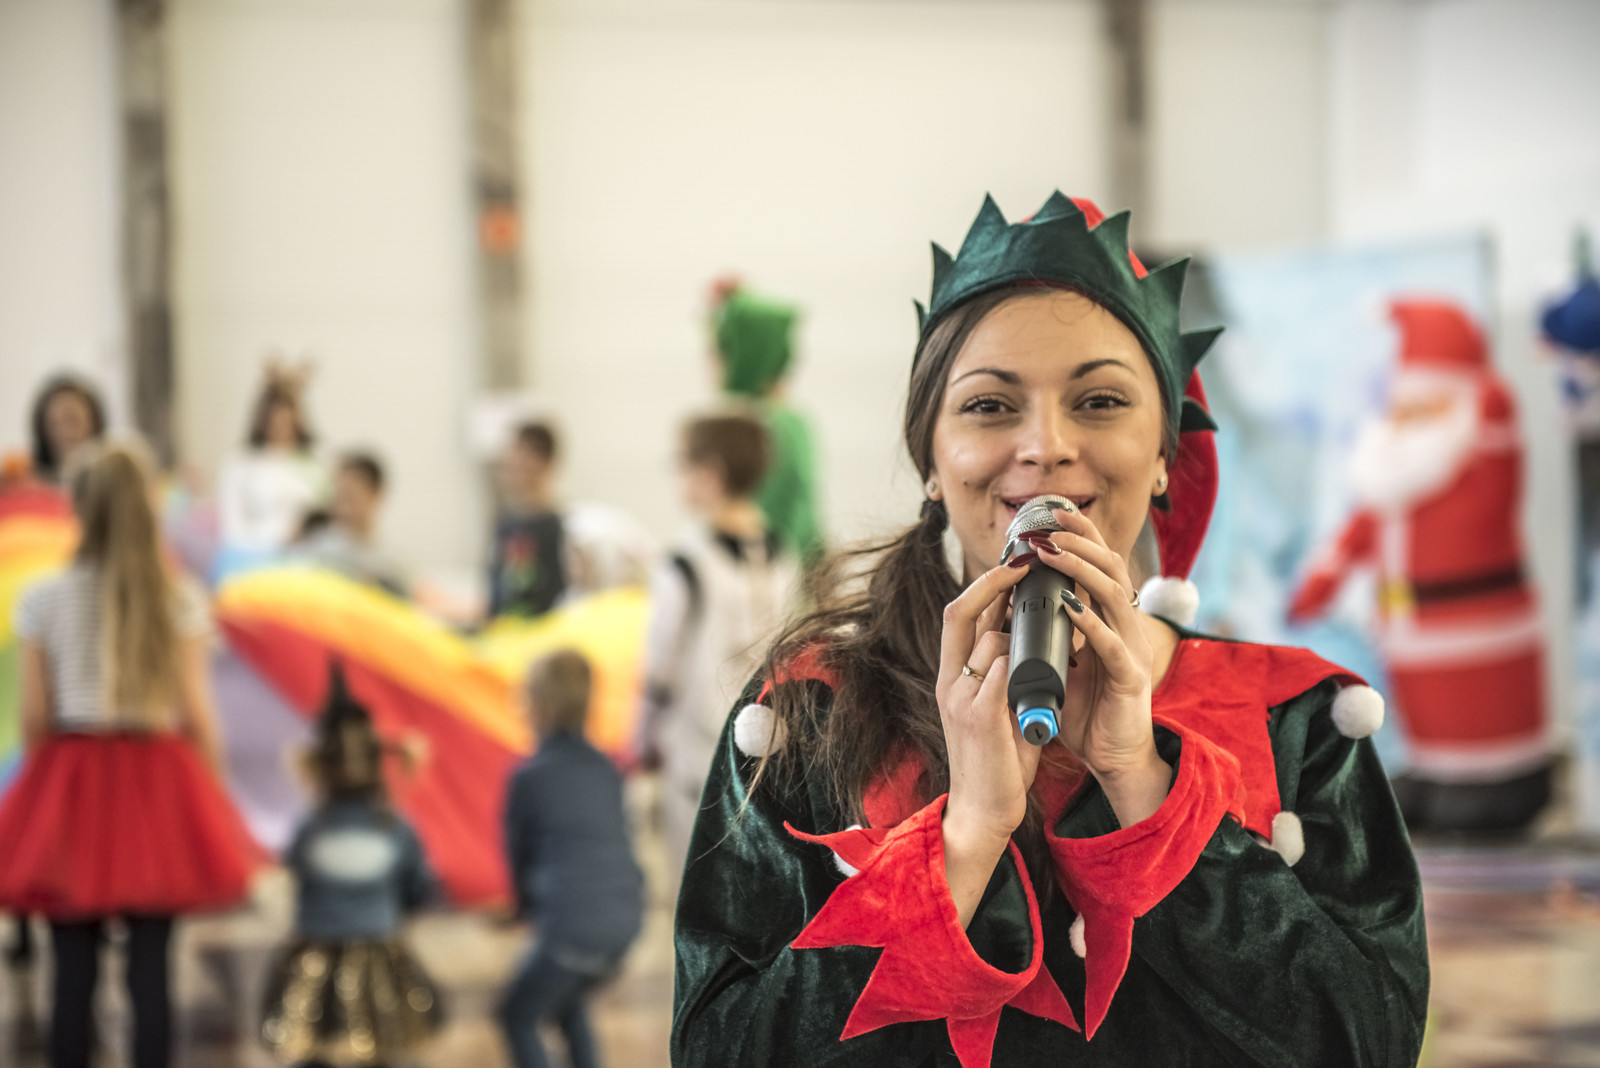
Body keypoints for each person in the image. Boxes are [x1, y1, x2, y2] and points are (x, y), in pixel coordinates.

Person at [671, 193, 1429, 1066]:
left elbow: (1369, 1043)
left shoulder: (1290, 719)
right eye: (990, 406)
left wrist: (1143, 782)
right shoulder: (811, 709)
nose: (1045, 445)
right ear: (931, 461)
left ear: (1163, 457)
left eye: (1100, 400)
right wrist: (965, 842)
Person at [0, 440, 256, 1068]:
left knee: (71, 972)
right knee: (151, 972)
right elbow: (198, 715)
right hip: (158, 782)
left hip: (72, 777)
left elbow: (34, 718)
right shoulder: (178, 598)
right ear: (148, 506)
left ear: (77, 508)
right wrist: (217, 802)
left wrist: (46, 796)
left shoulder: (43, 597)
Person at [1290, 301, 1550, 833]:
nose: (1409, 415)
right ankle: (1436, 770)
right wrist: (1324, 578)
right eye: (1404, 401)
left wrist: (1468, 389)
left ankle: (1504, 780)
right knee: (1432, 712)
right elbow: (1360, 530)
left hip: (1476, 615)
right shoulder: (1398, 472)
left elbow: (1488, 418)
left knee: (1483, 703)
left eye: (1427, 401)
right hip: (1408, 622)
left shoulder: (1481, 424)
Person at [635, 412, 798, 884]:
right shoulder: (783, 552)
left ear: (710, 473)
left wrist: (641, 737)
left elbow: (660, 666)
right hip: (762, 748)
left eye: (680, 464)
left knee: (693, 886)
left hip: (696, 753)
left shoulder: (686, 560)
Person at [259, 661, 443, 1068]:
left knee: (313, 1045)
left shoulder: (309, 827)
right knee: (378, 1047)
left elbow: (294, 875)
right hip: (381, 953)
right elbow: (419, 887)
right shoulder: (397, 828)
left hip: (315, 956)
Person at [501, 650, 643, 1068]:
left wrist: (522, 911)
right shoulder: (606, 769)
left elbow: (520, 858)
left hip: (572, 928)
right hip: (625, 925)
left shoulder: (529, 777)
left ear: (538, 707)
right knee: (568, 1001)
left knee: (516, 1015)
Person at [710, 281, 825, 566]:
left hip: (772, 579)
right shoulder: (788, 420)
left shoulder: (760, 427)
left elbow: (767, 527)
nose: (710, 362)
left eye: (724, 350)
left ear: (749, 354)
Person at [217, 363, 326, 575]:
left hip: (304, 563)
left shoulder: (314, 464)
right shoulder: (240, 462)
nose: (280, 423)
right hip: (250, 560)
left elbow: (322, 520)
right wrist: (276, 545)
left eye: (288, 414)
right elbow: (232, 529)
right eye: (274, 415)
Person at [294, 451, 407, 596]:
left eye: (351, 498)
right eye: (338, 498)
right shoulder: (315, 553)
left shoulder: (392, 565)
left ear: (377, 494)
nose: (342, 509)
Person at [488, 421, 567, 619]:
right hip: (502, 632)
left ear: (546, 462)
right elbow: (495, 601)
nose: (511, 465)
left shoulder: (562, 528)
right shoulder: (505, 526)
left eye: (521, 456)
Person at [30, 374, 107, 484]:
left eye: (72, 419)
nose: (64, 432)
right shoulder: (33, 485)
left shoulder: (113, 481)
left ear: (93, 422)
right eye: (54, 424)